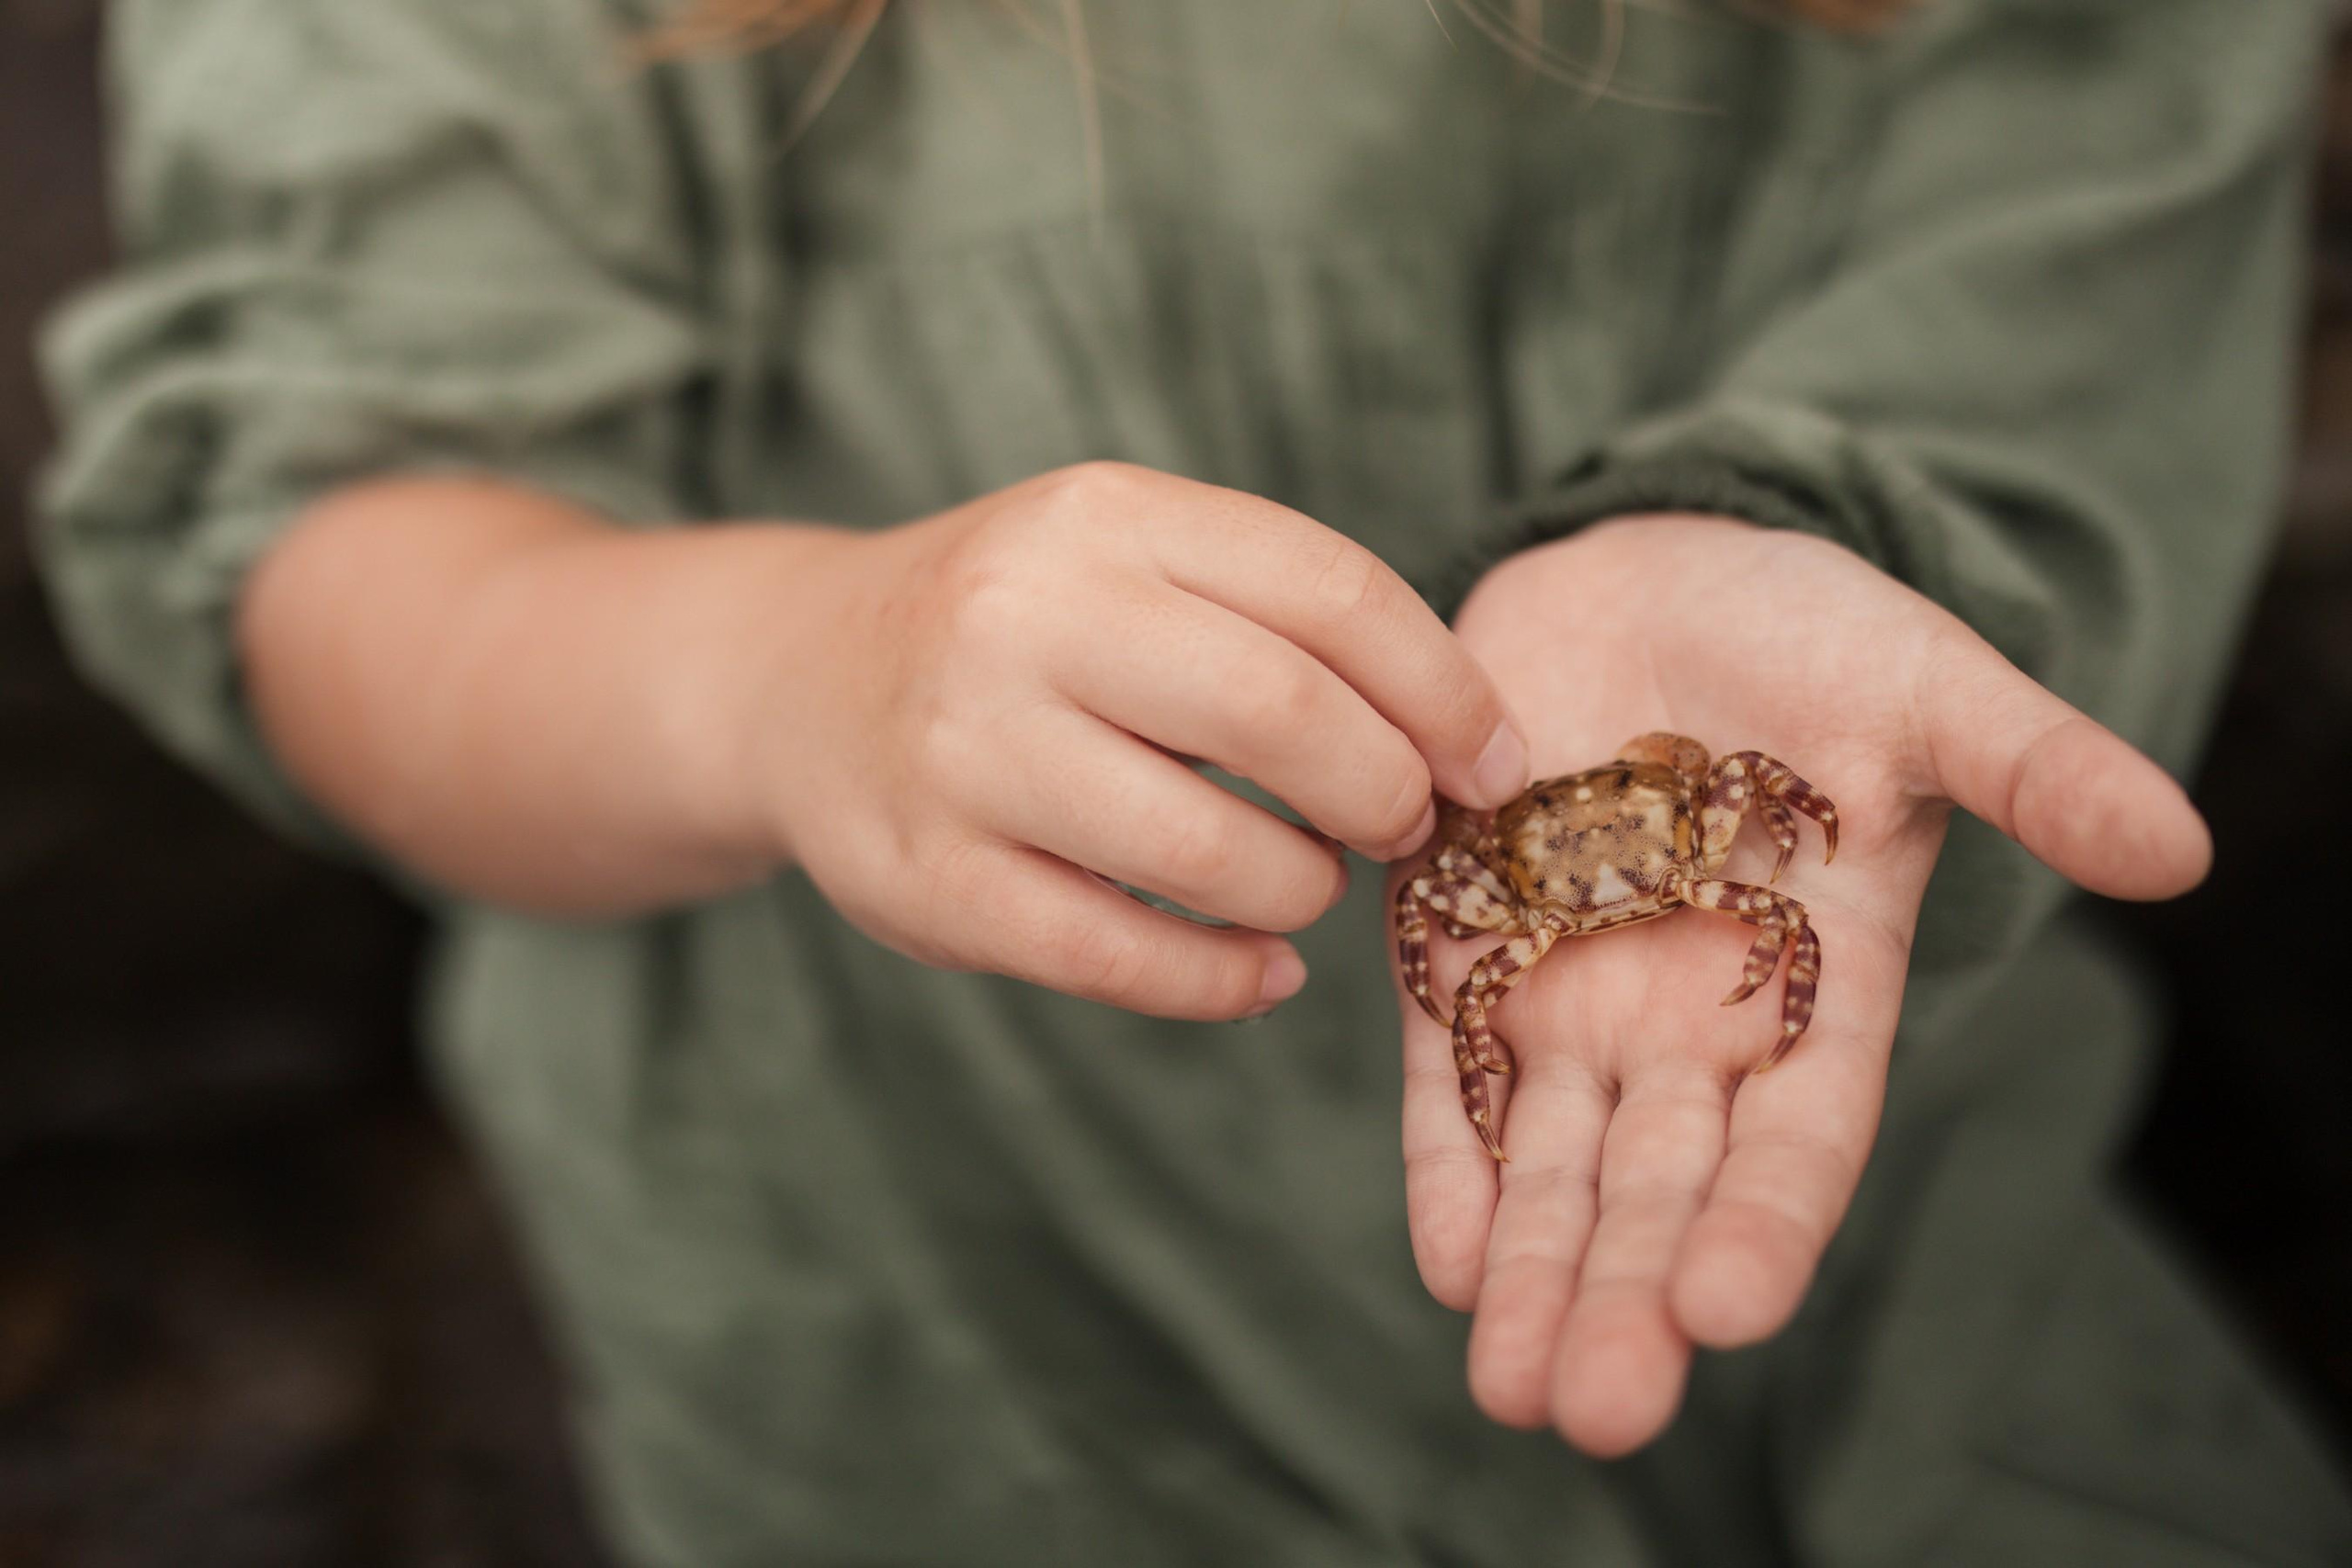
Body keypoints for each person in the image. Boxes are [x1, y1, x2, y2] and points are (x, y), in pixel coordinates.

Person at [36, 0, 2352, 1562]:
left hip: (1862, 1217)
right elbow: (336, 541)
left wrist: (1773, 537)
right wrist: (785, 668)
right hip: (937, 1307)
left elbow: (2066, 306)